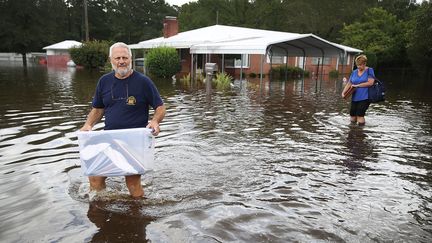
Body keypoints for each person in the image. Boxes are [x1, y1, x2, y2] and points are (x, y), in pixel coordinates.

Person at [80, 42, 166, 198]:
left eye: (125, 57)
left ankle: (138, 212)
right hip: (109, 139)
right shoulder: (104, 81)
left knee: (132, 183)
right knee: (95, 176)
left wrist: (155, 121)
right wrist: (88, 125)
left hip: (134, 141)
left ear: (130, 59)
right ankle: (100, 208)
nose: (121, 61)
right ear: (111, 59)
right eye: (117, 58)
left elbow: (160, 107)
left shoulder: (143, 82)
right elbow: (98, 109)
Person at [341, 54, 375, 126]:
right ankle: (352, 130)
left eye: (360, 65)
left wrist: (357, 85)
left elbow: (370, 83)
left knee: (360, 114)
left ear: (365, 63)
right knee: (352, 114)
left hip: (365, 97)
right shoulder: (354, 72)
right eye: (357, 65)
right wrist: (343, 92)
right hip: (355, 97)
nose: (359, 67)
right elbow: (349, 83)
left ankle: (360, 133)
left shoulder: (369, 70)